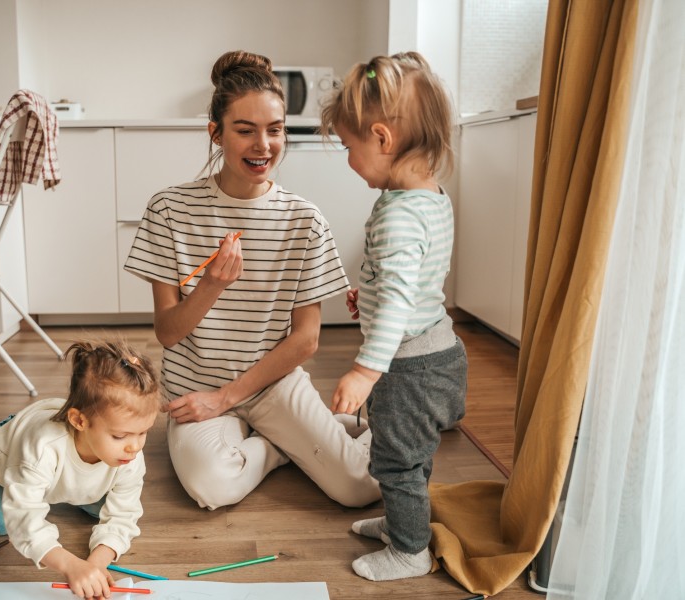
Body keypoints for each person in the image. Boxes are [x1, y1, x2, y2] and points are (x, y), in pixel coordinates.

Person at [124, 50, 380, 512]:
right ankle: (286, 448)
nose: (263, 145)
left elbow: (305, 340)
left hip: (273, 383)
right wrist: (210, 287)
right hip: (195, 388)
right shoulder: (168, 209)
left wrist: (228, 398)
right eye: (245, 130)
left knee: (360, 488)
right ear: (216, 133)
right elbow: (167, 332)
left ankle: (290, 438)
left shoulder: (304, 220)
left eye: (275, 129)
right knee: (211, 487)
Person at [319, 52, 469, 582]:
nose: (349, 159)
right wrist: (376, 294)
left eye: (349, 146)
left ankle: (410, 551)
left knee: (395, 461)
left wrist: (364, 370)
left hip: (408, 368)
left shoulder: (399, 216)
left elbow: (402, 299)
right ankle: (406, 522)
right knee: (411, 455)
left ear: (382, 139)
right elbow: (415, 284)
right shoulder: (430, 198)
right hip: (436, 351)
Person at [0, 340, 162, 599]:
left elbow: (123, 516)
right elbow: (24, 523)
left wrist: (94, 565)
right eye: (121, 436)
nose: (135, 447)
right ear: (79, 421)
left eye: (143, 432)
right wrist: (71, 566)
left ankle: (51, 490)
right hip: (10, 450)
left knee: (99, 511)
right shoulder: (42, 449)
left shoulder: (129, 452)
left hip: (56, 470)